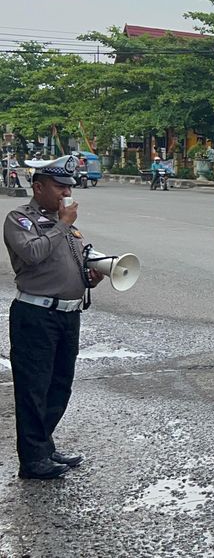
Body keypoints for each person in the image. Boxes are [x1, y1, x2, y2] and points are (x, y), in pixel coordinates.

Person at [4, 154, 104, 479]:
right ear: (38, 186)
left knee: (60, 386)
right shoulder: (20, 219)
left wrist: (91, 277)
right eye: (60, 186)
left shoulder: (68, 227)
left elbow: (74, 264)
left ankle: (44, 445)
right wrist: (62, 224)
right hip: (35, 315)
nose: (66, 193)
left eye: (69, 187)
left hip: (67, 316)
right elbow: (32, 254)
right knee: (33, 388)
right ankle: (32, 461)